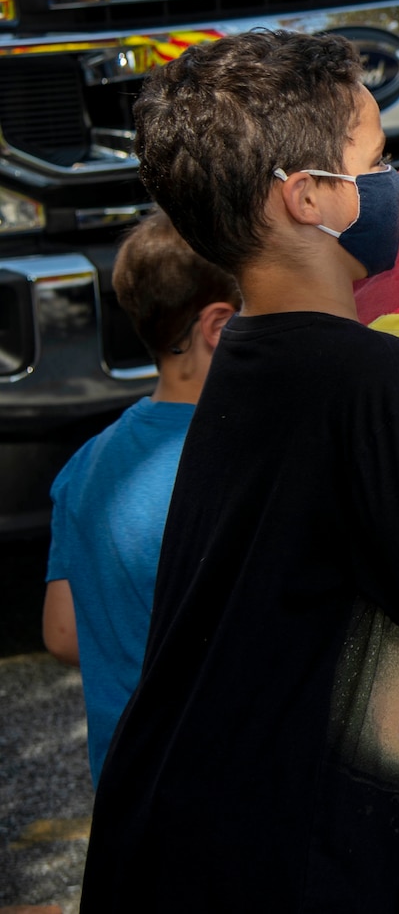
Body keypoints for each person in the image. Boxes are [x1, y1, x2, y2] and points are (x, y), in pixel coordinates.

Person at [82, 32, 399, 912]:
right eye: (376, 156)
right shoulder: (360, 373)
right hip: (278, 847)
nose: (397, 181)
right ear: (309, 198)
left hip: (176, 815)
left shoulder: (249, 355)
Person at [40, 213, 239, 785]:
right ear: (219, 326)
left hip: (128, 784)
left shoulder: (85, 466)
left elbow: (62, 634)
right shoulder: (244, 459)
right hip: (223, 783)